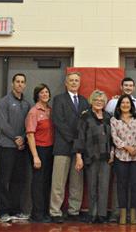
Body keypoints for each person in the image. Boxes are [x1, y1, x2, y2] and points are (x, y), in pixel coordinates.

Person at [49, 72, 90, 223]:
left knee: (77, 182)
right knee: (58, 181)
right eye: (71, 80)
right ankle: (55, 212)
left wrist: (79, 143)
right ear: (66, 83)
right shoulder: (59, 99)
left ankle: (74, 211)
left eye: (76, 81)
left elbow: (87, 124)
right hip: (63, 146)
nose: (74, 83)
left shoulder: (85, 101)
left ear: (80, 83)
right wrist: (74, 140)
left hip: (79, 149)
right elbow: (58, 122)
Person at [74, 90, 114, 224]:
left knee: (104, 186)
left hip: (106, 156)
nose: (99, 103)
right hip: (90, 156)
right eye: (97, 100)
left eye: (102, 101)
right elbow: (80, 137)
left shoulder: (108, 116)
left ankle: (102, 215)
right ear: (92, 101)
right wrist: (79, 156)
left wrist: (112, 152)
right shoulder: (85, 116)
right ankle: (92, 213)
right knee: (92, 186)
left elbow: (112, 137)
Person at [0, 73, 31, 224]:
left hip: (21, 148)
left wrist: (23, 137)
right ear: (12, 84)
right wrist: (16, 138)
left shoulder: (27, 104)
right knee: (4, 180)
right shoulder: (4, 102)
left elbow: (28, 125)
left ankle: (15, 210)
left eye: (22, 82)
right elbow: (3, 125)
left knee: (19, 180)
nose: (20, 84)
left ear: (25, 85)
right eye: (17, 81)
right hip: (7, 146)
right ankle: (3, 212)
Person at [110, 94, 136, 225]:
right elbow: (114, 137)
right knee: (121, 186)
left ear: (132, 105)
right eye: (123, 103)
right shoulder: (114, 120)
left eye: (128, 103)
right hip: (121, 156)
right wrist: (127, 147)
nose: (125, 105)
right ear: (119, 105)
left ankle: (134, 214)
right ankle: (123, 214)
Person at [25, 83, 54, 223]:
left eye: (47, 92)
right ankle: (36, 214)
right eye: (42, 92)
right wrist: (35, 156)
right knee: (38, 183)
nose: (45, 94)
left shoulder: (50, 110)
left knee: (46, 182)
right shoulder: (33, 112)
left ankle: (44, 212)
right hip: (38, 149)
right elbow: (30, 135)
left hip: (50, 149)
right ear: (37, 95)